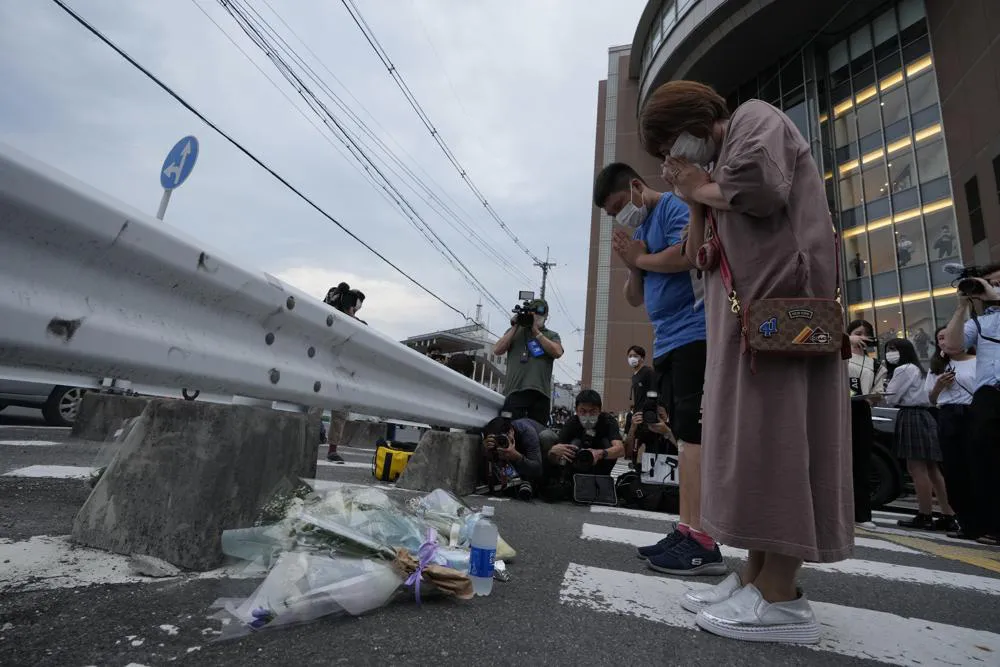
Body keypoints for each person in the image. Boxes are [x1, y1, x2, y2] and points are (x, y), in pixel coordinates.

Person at [642, 81, 853, 643]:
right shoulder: (711, 173)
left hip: (786, 315)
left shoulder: (754, 119)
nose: (670, 160)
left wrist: (699, 185)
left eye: (669, 145)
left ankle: (782, 595)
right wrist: (692, 194)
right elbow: (695, 253)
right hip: (753, 327)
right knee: (759, 443)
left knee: (783, 439)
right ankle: (756, 577)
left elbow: (760, 187)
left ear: (692, 122)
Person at [594, 162, 721, 577]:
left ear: (634, 187)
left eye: (617, 207)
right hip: (667, 341)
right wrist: (633, 263)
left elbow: (689, 254)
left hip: (693, 334)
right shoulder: (644, 231)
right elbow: (633, 297)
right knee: (683, 436)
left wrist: (642, 257)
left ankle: (701, 538)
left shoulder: (670, 207)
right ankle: (687, 528)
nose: (618, 217)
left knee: (693, 435)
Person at [943, 265, 1000, 546]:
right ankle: (988, 523)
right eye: (990, 283)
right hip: (989, 395)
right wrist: (961, 307)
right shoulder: (980, 322)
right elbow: (953, 347)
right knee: (983, 461)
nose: (992, 288)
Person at [882, 338, 955, 531]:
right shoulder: (918, 368)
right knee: (932, 469)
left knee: (916, 469)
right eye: (888, 349)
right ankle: (948, 514)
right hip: (925, 416)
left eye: (893, 349)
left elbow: (892, 397)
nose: (890, 353)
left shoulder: (903, 369)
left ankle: (925, 514)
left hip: (911, 416)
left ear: (903, 351)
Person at [925, 326, 978, 539]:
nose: (944, 342)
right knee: (955, 470)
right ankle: (966, 522)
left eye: (947, 337)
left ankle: (987, 522)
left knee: (980, 467)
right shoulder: (938, 366)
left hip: (975, 414)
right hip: (948, 415)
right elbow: (930, 399)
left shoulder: (979, 361)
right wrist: (938, 386)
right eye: (939, 339)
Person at [493, 299, 563, 426]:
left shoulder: (551, 335)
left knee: (536, 434)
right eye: (533, 314)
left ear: (546, 316)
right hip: (515, 391)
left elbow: (557, 352)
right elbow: (497, 350)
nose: (537, 317)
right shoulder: (515, 332)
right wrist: (516, 325)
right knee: (510, 428)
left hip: (540, 394)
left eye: (540, 315)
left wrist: (536, 332)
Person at [322, 282, 367, 462]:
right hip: (328, 367)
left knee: (337, 410)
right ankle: (329, 447)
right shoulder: (330, 315)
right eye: (353, 309)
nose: (354, 313)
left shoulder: (353, 323)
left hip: (337, 368)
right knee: (324, 407)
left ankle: (331, 447)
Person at [847, 319, 884, 530]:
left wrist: (873, 397)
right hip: (838, 408)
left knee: (861, 462)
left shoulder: (875, 363)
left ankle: (861, 513)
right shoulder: (839, 354)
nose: (861, 337)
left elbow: (877, 390)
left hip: (861, 410)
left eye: (865, 333)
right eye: (857, 332)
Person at [482, 413, 544, 501]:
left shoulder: (527, 432)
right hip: (521, 461)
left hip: (542, 454)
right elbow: (488, 476)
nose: (501, 444)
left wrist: (516, 456)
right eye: (497, 441)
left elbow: (538, 469)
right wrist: (486, 453)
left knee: (545, 439)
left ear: (511, 431)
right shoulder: (492, 443)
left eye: (502, 439)